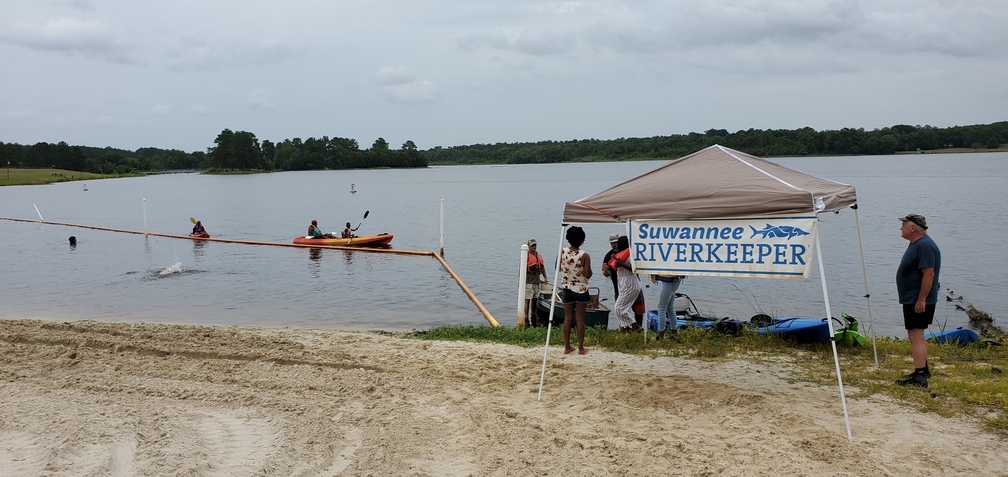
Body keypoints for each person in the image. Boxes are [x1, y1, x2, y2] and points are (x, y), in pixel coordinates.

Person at [896, 214, 941, 388]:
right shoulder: (916, 244)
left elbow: (929, 274)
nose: (901, 228)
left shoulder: (925, 246)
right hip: (912, 297)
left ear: (913, 228)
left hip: (919, 299)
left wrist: (922, 299)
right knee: (914, 333)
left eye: (904, 225)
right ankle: (923, 368)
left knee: (916, 334)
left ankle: (920, 376)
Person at [559, 226, 591, 355]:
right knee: (579, 319)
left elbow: (558, 267)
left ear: (568, 238)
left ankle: (567, 346)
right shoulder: (584, 255)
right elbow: (587, 274)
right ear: (582, 240)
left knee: (567, 318)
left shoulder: (562, 252)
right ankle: (581, 348)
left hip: (567, 287)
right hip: (581, 289)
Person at [611, 236, 642, 332]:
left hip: (631, 283)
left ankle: (636, 326)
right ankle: (628, 330)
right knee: (625, 309)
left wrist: (622, 264)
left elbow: (635, 269)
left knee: (618, 308)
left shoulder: (630, 254)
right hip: (623, 283)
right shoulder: (620, 254)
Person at [651, 273, 684, 340]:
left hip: (669, 282)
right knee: (670, 308)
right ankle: (674, 333)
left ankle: (661, 335)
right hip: (675, 281)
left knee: (661, 308)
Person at [523, 239, 548, 326]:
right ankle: (526, 317)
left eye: (535, 245)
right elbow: (522, 270)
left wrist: (545, 278)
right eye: (532, 245)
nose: (534, 247)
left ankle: (532, 315)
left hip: (537, 281)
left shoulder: (538, 256)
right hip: (528, 282)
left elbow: (542, 267)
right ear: (528, 246)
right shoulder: (526, 256)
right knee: (527, 300)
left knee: (535, 299)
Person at [601, 233, 620, 302]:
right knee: (619, 309)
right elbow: (606, 274)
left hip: (631, 285)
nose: (615, 245)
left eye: (617, 242)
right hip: (617, 287)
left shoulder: (626, 252)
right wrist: (606, 271)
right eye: (613, 243)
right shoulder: (608, 256)